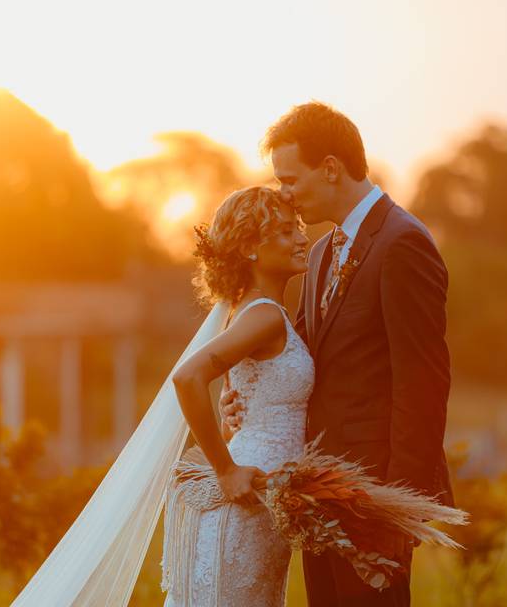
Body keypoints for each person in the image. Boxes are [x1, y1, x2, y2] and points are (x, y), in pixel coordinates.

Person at [221, 101, 454, 606]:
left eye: (290, 179)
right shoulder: (323, 253)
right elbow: (295, 358)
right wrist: (242, 395)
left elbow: (423, 381)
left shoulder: (403, 244)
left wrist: (400, 507)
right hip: (316, 493)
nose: (284, 194)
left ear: (330, 168)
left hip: (374, 497)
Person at [161, 186, 314, 606]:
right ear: (250, 248)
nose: (301, 238)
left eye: (298, 227)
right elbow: (188, 377)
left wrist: (230, 426)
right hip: (246, 502)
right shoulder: (263, 315)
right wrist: (225, 469)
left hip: (265, 504)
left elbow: (247, 396)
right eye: (286, 231)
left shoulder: (251, 311)